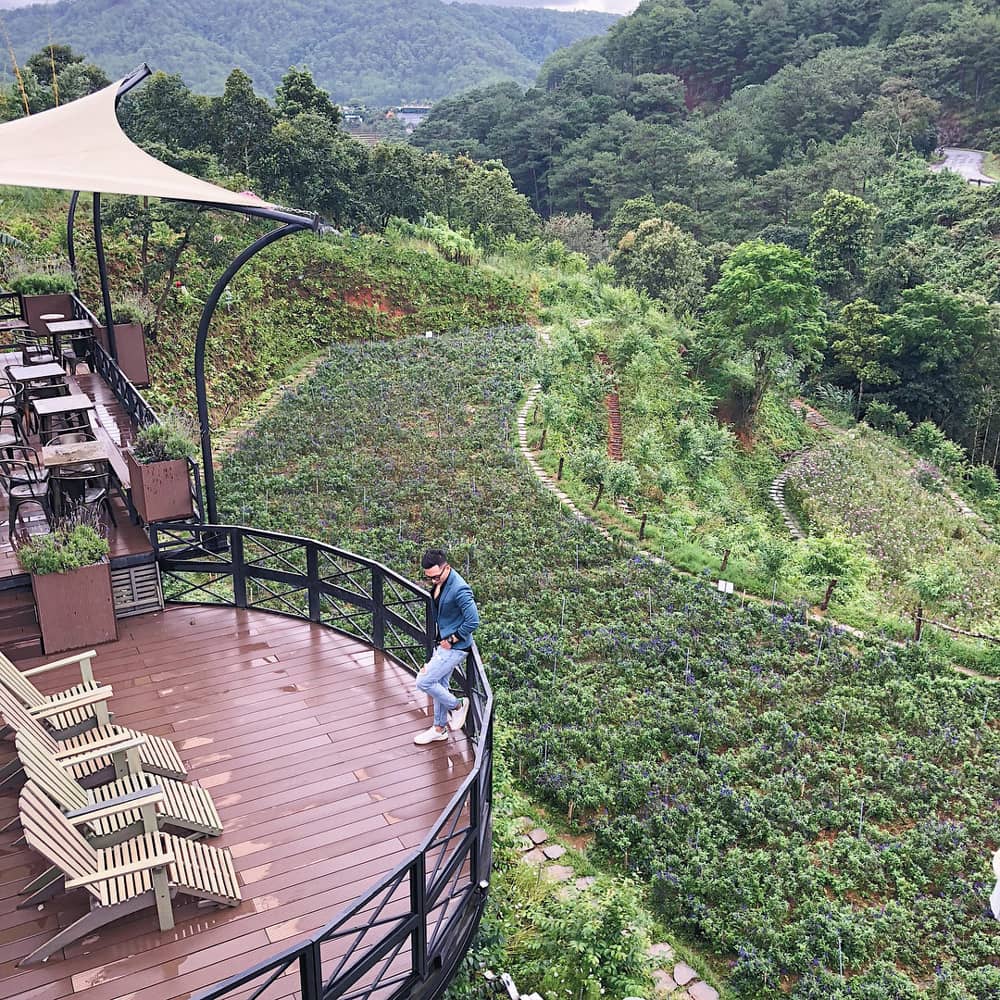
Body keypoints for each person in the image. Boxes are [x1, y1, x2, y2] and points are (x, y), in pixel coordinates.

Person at [413, 548, 479, 745]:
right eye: (429, 578)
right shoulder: (441, 582)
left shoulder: (460, 589)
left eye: (436, 577)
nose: (433, 581)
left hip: (454, 648)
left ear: (447, 568)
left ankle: (458, 705)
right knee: (440, 685)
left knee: (423, 681)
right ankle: (439, 729)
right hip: (442, 643)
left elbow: (473, 621)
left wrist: (452, 639)